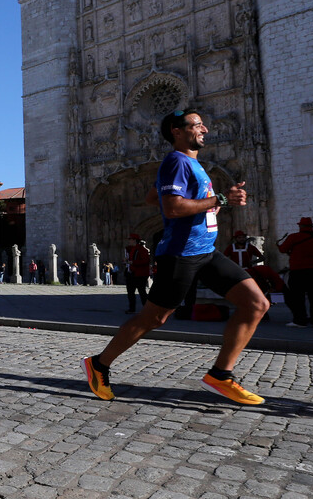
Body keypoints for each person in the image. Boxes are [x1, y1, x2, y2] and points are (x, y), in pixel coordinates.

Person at [82, 109, 269, 406]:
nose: (205, 129)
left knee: (256, 303)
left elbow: (152, 198)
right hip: (180, 254)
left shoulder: (192, 164)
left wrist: (217, 202)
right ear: (176, 131)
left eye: (203, 124)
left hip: (205, 251)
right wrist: (219, 199)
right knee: (154, 317)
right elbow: (171, 209)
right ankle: (99, 364)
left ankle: (221, 375)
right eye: (197, 125)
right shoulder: (176, 161)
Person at [277, 217, 313, 328]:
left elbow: (282, 249)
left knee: (297, 298)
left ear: (300, 226)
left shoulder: (293, 237)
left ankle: (300, 321)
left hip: (298, 272)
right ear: (312, 226)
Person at [123, 234, 151, 313]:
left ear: (134, 240)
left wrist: (133, 262)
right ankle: (132, 309)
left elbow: (146, 261)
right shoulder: (130, 249)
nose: (128, 241)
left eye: (130, 239)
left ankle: (147, 309)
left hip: (140, 274)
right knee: (130, 292)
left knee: (142, 292)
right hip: (131, 273)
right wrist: (126, 261)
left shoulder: (142, 249)